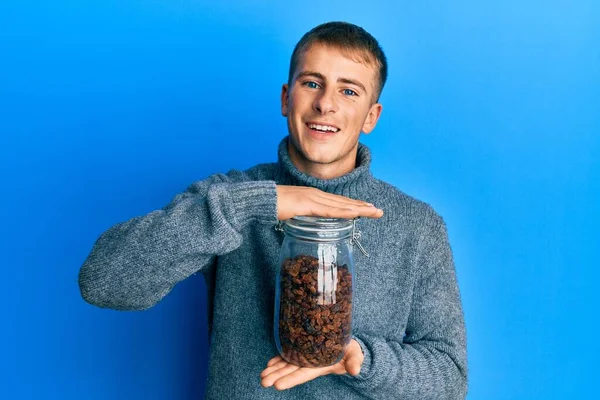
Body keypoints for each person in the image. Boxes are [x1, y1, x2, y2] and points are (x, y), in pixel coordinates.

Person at [79, 21, 467, 399]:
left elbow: (450, 379)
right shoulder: (230, 197)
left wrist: (357, 359)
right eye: (312, 83)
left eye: (349, 91)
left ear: (371, 116)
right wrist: (261, 202)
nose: (325, 104)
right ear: (286, 98)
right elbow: (103, 282)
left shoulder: (417, 225)